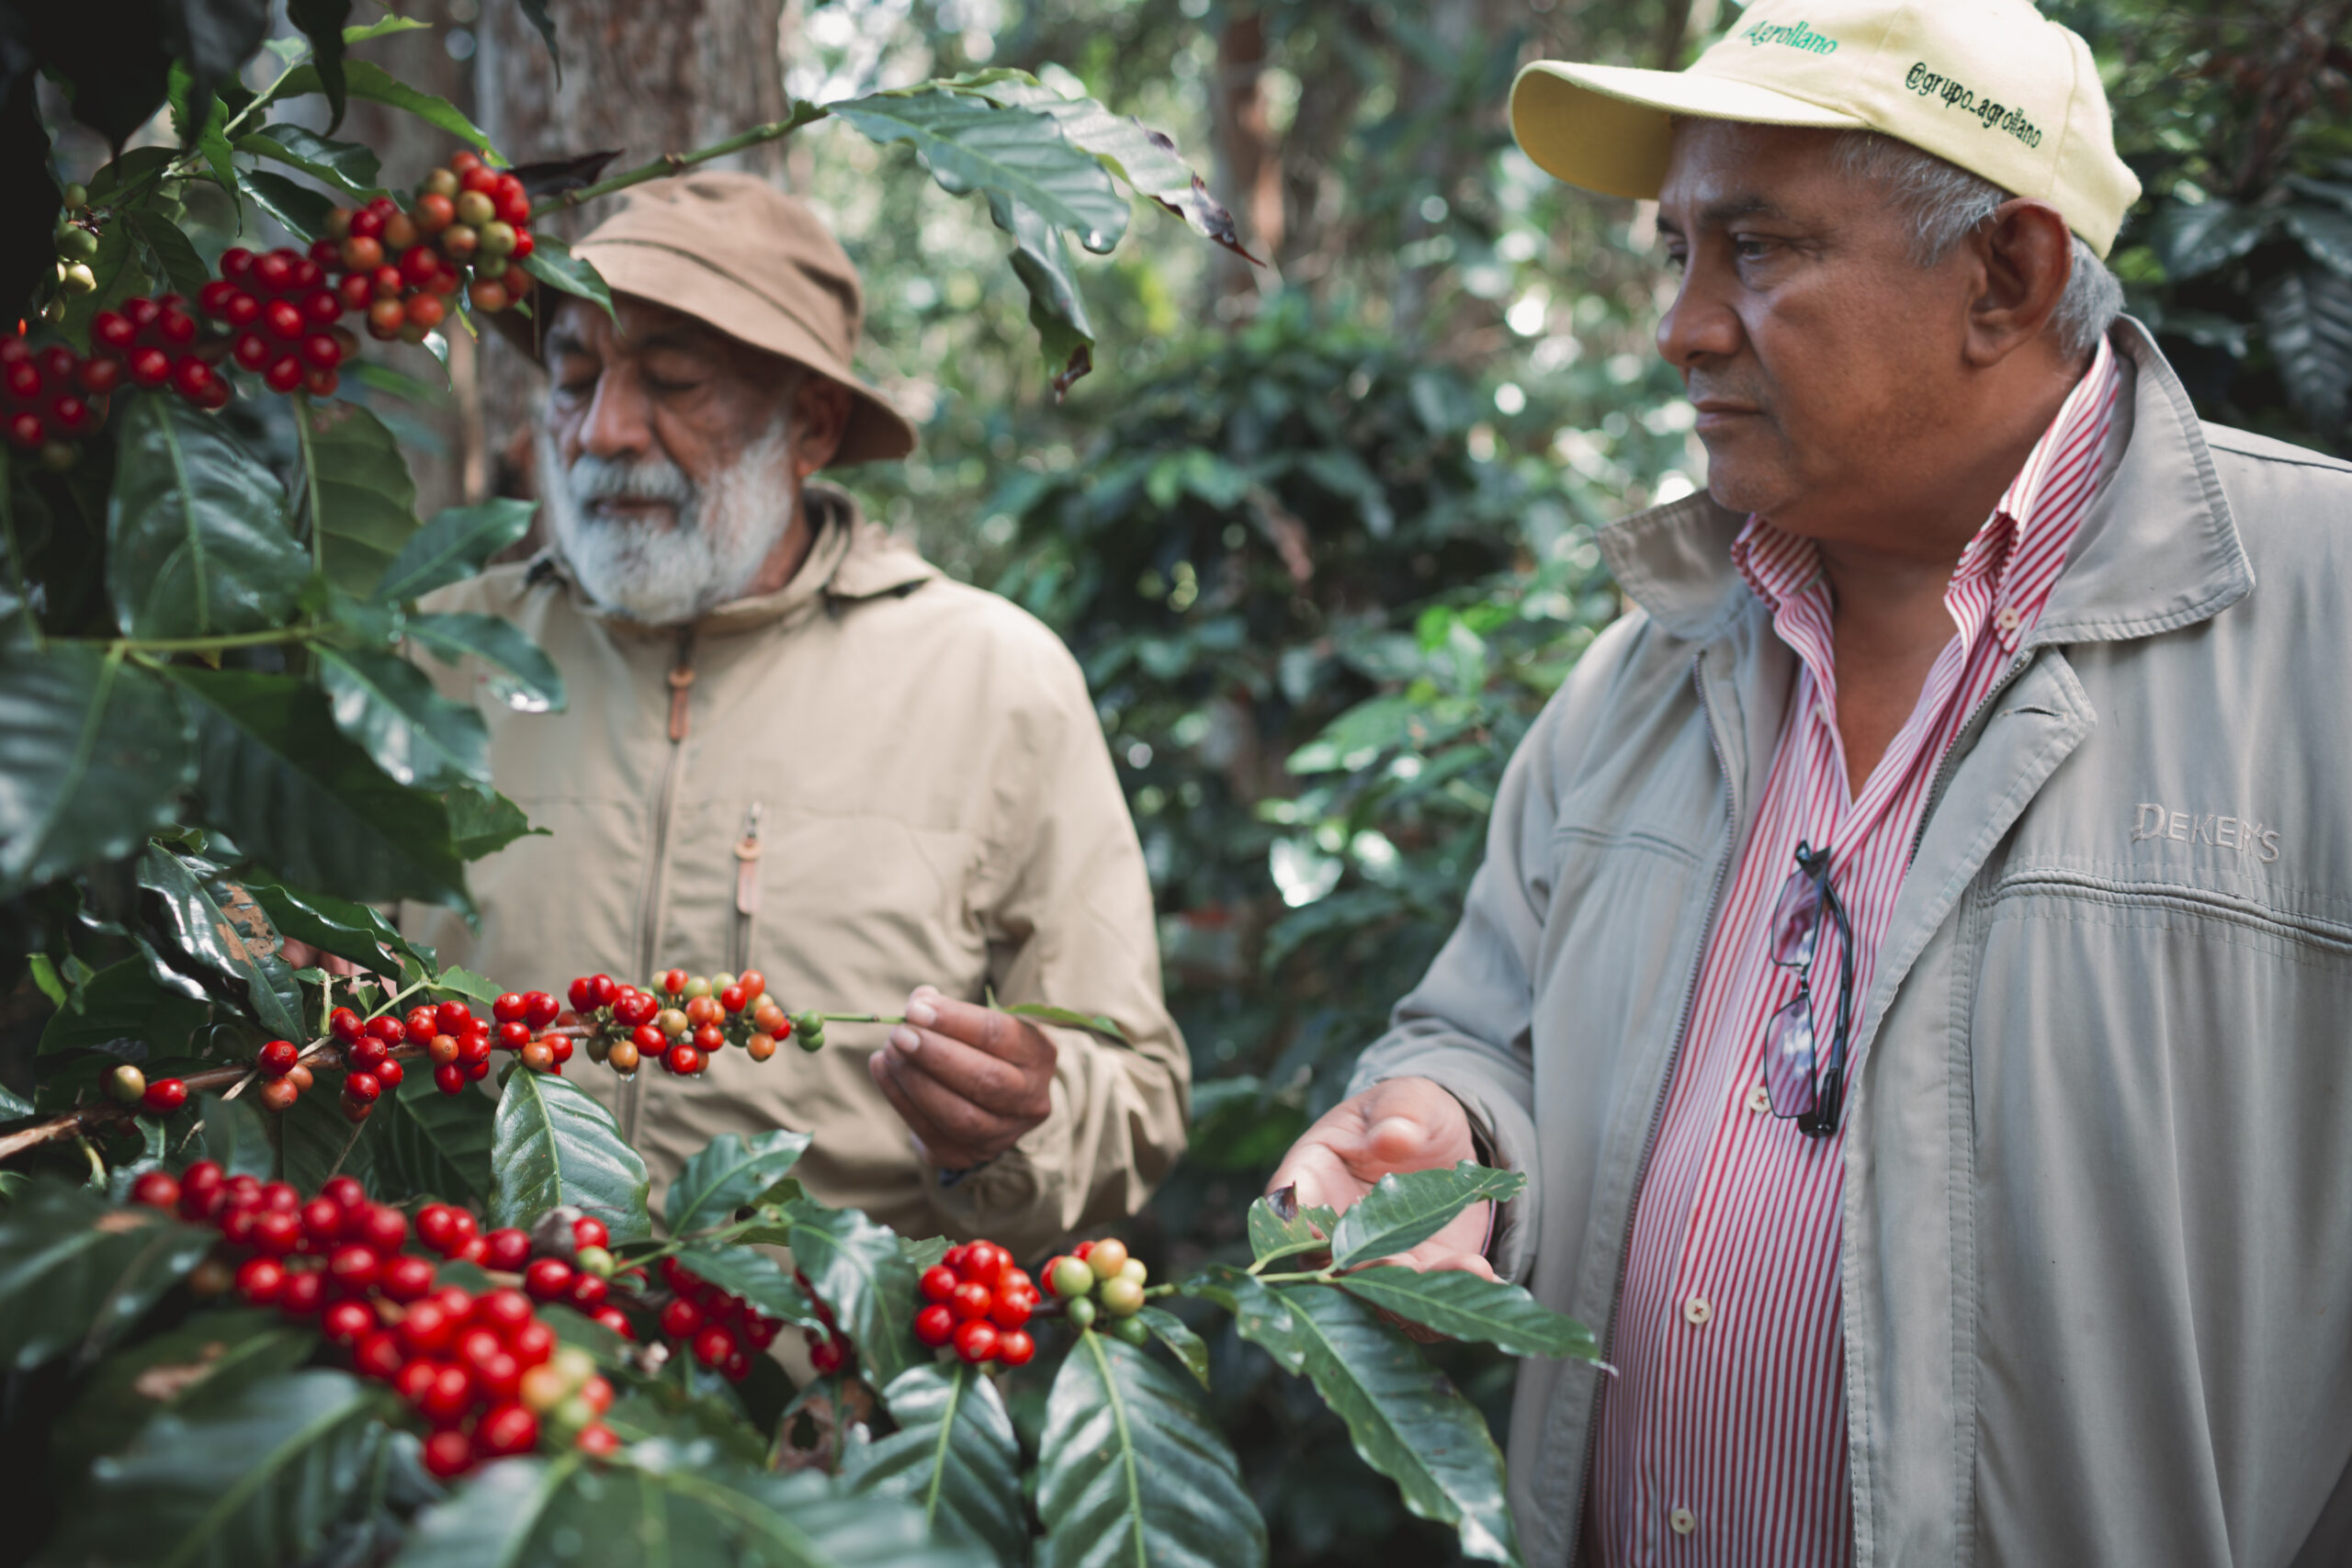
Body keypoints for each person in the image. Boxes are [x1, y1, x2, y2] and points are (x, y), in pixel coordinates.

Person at [1271, 1, 2352, 1562]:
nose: (1683, 325)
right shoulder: (1653, 667)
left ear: (2006, 276)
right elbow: (1479, 1022)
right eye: (1679, 253)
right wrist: (1442, 1125)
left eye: (1759, 251)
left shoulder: (2316, 627)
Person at [393, 171, 1187, 1260]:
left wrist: (1014, 1130)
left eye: (672, 382)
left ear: (808, 423)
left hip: (809, 1395)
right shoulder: (428, 655)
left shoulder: (992, 682)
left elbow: (1134, 1093)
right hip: (449, 1370)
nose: (603, 431)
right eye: (574, 380)